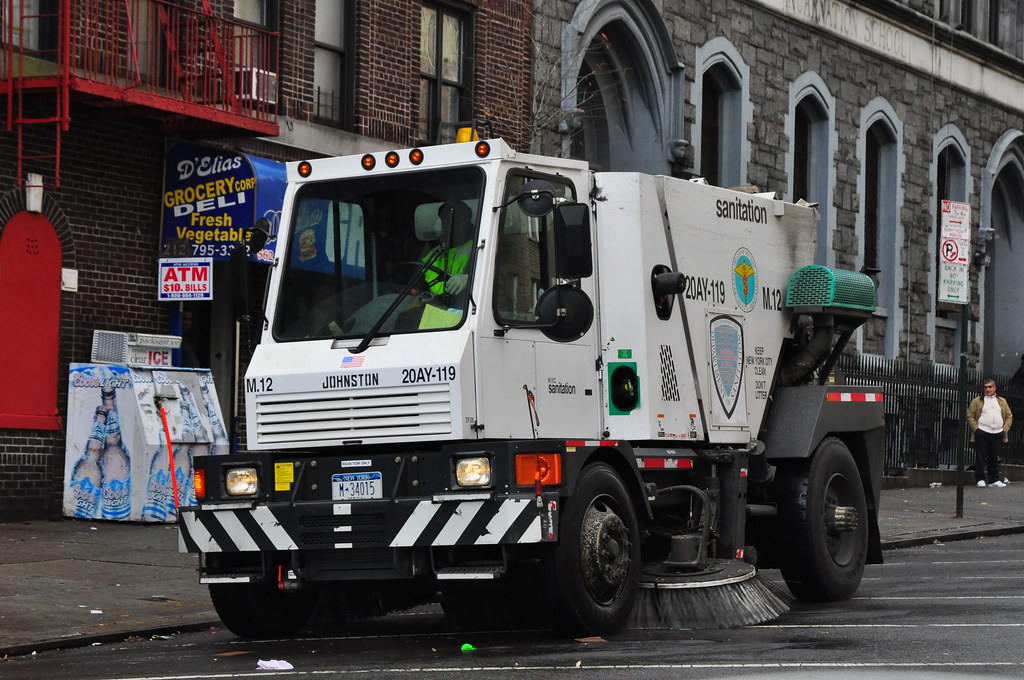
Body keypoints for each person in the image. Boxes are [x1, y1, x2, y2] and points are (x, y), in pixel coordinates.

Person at [967, 378, 1013, 488]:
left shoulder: (1001, 401)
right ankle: (980, 479)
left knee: (994, 457)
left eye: (990, 387)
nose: (988, 389)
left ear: (994, 388)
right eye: (986, 387)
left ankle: (994, 480)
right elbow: (970, 415)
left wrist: (1004, 430)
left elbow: (1009, 416)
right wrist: (977, 430)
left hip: (997, 432)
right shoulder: (977, 401)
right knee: (980, 457)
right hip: (982, 431)